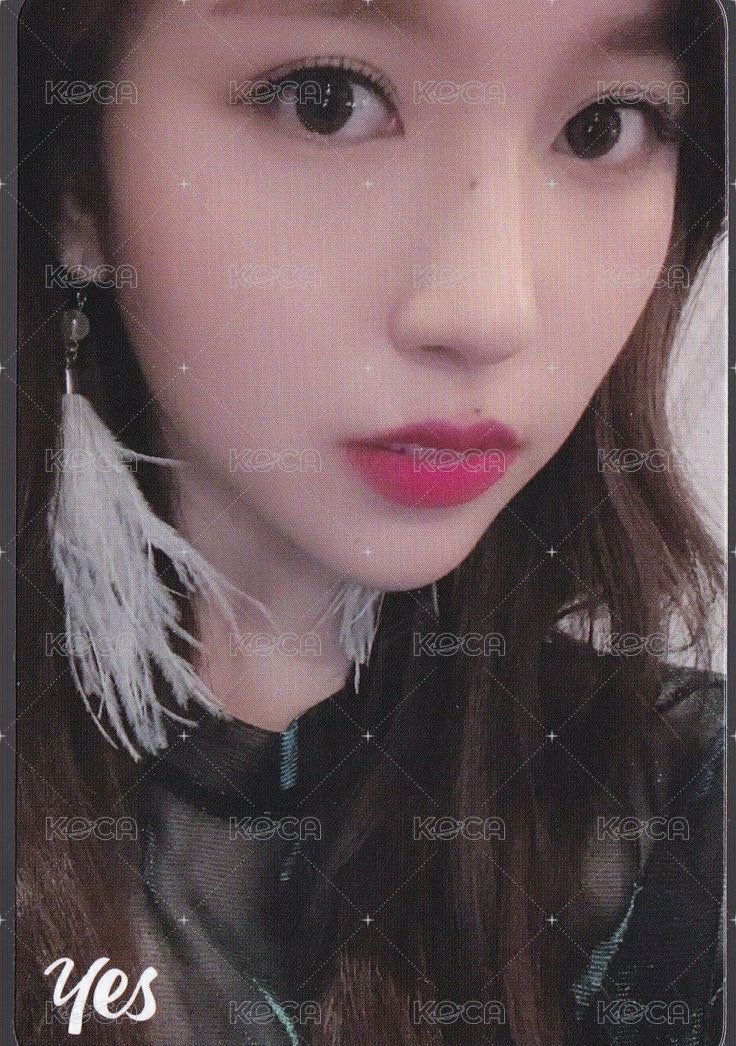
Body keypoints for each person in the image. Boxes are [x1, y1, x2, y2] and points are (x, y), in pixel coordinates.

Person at [15, 0, 726, 1042]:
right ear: (77, 182)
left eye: (601, 127)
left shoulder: (684, 824)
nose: (489, 310)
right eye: (326, 103)